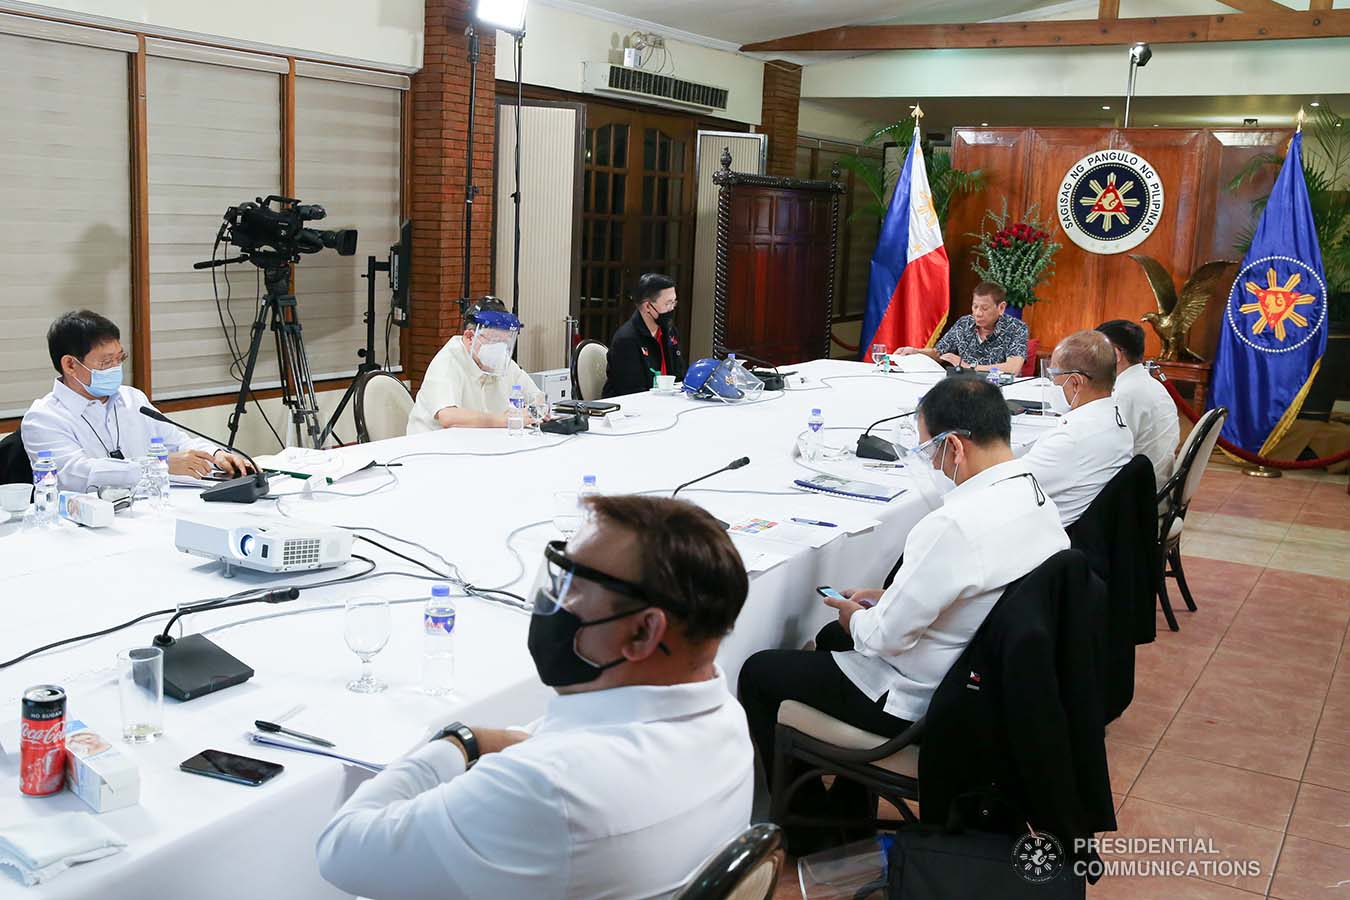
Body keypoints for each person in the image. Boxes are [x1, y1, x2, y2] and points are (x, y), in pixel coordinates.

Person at [317, 495, 754, 900]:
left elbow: (342, 848)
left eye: (572, 587)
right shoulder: (726, 719)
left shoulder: (547, 789)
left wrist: (455, 744)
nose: (551, 601)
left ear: (642, 632)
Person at [737, 376, 1068, 848]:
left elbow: (884, 639)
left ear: (954, 447)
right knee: (833, 639)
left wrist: (857, 616)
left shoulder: (954, 523)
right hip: (980, 680)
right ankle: (849, 806)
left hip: (921, 700)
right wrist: (885, 598)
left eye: (928, 451)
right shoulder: (1035, 497)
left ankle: (809, 830)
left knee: (762, 671)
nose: (930, 464)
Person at [21, 310, 253, 493]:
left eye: (119, 358)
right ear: (70, 365)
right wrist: (157, 464)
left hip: (148, 511)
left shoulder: (133, 399)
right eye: (106, 362)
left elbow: (178, 443)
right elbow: (75, 475)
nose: (115, 368)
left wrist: (216, 455)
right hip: (85, 527)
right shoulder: (43, 418)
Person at [1023, 330, 1134, 527]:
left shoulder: (1071, 439)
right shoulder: (1118, 419)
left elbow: (1010, 487)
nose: (1051, 382)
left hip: (1051, 539)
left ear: (1075, 383)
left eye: (1053, 375)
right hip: (1088, 534)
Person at [407, 298, 540, 434]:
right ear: (470, 337)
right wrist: (504, 420)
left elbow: (537, 398)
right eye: (494, 341)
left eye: (505, 343)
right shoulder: (448, 360)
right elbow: (448, 416)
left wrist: (538, 410)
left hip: (478, 444)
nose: (500, 349)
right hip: (432, 447)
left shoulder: (503, 362)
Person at [1096, 319, 1179, 489]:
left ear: (1116, 355)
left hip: (1137, 496)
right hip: (1155, 483)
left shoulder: (1127, 393)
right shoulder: (1148, 384)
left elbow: (1106, 455)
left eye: (1097, 351)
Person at [897, 282, 1028, 374]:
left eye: (984, 308)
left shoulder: (1016, 328)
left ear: (1001, 308)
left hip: (999, 390)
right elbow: (938, 353)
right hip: (962, 386)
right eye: (975, 306)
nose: (978, 313)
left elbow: (1013, 368)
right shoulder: (964, 323)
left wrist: (970, 367)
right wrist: (916, 351)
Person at [602, 273, 687, 398]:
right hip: (631, 409)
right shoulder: (626, 340)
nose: (672, 309)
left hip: (666, 402)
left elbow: (679, 375)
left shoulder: (669, 332)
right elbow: (632, 391)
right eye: (668, 304)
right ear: (648, 306)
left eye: (674, 303)